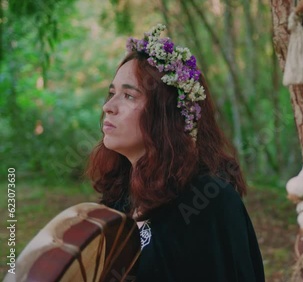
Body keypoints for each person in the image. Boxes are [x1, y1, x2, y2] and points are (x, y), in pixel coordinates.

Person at [86, 24, 265, 281]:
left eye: (128, 95)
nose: (108, 107)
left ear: (166, 113)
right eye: (112, 93)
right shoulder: (118, 199)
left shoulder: (208, 201)